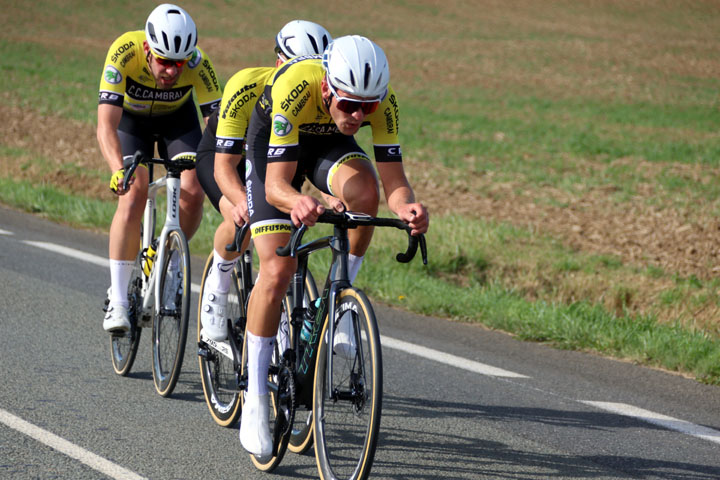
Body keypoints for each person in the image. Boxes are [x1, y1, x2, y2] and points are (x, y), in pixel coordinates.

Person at [238, 35, 429, 457]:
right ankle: (254, 395)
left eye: (369, 108)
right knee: (277, 270)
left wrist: (409, 208)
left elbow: (395, 183)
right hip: (272, 150)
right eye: (349, 105)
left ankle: (339, 302)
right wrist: (297, 199)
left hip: (325, 144)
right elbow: (276, 184)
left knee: (366, 192)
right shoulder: (296, 86)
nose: (359, 116)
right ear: (327, 87)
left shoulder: (381, 100)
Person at [195, 20, 336, 342]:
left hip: (269, 162)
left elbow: (304, 162)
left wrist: (328, 195)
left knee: (285, 233)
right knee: (242, 217)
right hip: (225, 158)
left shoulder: (310, 99)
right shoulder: (247, 85)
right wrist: (243, 202)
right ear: (278, 62)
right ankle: (217, 286)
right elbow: (223, 167)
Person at [98, 3, 221, 333]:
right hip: (131, 124)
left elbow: (219, 129)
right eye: (164, 61)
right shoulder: (124, 51)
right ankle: (119, 300)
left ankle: (167, 259)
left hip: (178, 124)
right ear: (147, 49)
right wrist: (116, 169)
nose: (172, 71)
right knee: (134, 194)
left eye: (179, 63)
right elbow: (106, 125)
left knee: (195, 192)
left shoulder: (199, 63)